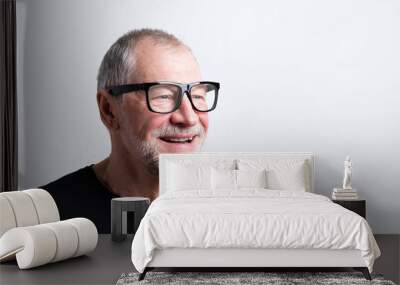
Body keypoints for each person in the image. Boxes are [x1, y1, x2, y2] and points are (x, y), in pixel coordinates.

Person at [41, 29, 220, 233]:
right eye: (163, 96)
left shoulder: (231, 212)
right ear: (109, 110)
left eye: (197, 96)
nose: (189, 118)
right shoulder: (45, 217)